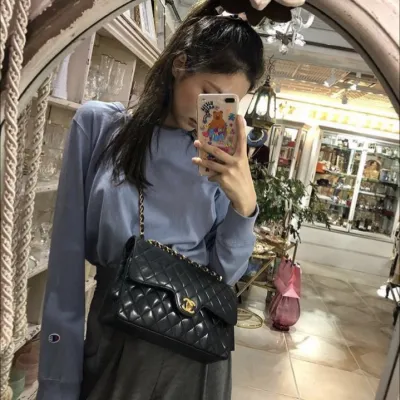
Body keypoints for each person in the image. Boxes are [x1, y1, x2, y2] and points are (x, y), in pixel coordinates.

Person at [37, 1, 265, 399]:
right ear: (180, 64)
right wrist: (58, 381)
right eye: (208, 94)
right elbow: (66, 264)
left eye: (226, 104)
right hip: (115, 341)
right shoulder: (100, 127)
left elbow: (225, 274)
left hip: (197, 354)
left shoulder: (217, 160)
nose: (210, 114)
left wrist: (243, 207)